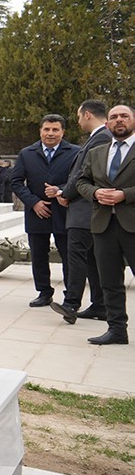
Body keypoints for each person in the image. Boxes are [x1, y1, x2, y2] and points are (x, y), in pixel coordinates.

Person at [76, 104, 135, 346]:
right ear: (108, 124)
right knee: (109, 281)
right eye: (114, 117)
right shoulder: (96, 152)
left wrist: (125, 195)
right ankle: (117, 330)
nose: (119, 120)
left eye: (125, 116)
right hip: (103, 225)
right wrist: (95, 192)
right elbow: (81, 181)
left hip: (132, 224)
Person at [52, 100, 112, 324]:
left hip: (85, 209)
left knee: (76, 256)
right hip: (87, 209)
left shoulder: (102, 137)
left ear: (87, 115)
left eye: (78, 116)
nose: (78, 121)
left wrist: (65, 193)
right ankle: (100, 305)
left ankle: (71, 305)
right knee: (91, 259)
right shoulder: (99, 137)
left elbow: (83, 174)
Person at [10, 114, 78, 307]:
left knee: (68, 256)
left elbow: (79, 179)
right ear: (40, 130)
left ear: (63, 132)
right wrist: (34, 202)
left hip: (64, 212)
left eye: (55, 129)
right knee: (39, 256)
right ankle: (44, 292)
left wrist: (60, 190)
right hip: (36, 212)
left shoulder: (75, 152)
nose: (50, 133)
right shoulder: (26, 153)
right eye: (46, 129)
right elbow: (16, 182)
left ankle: (70, 295)